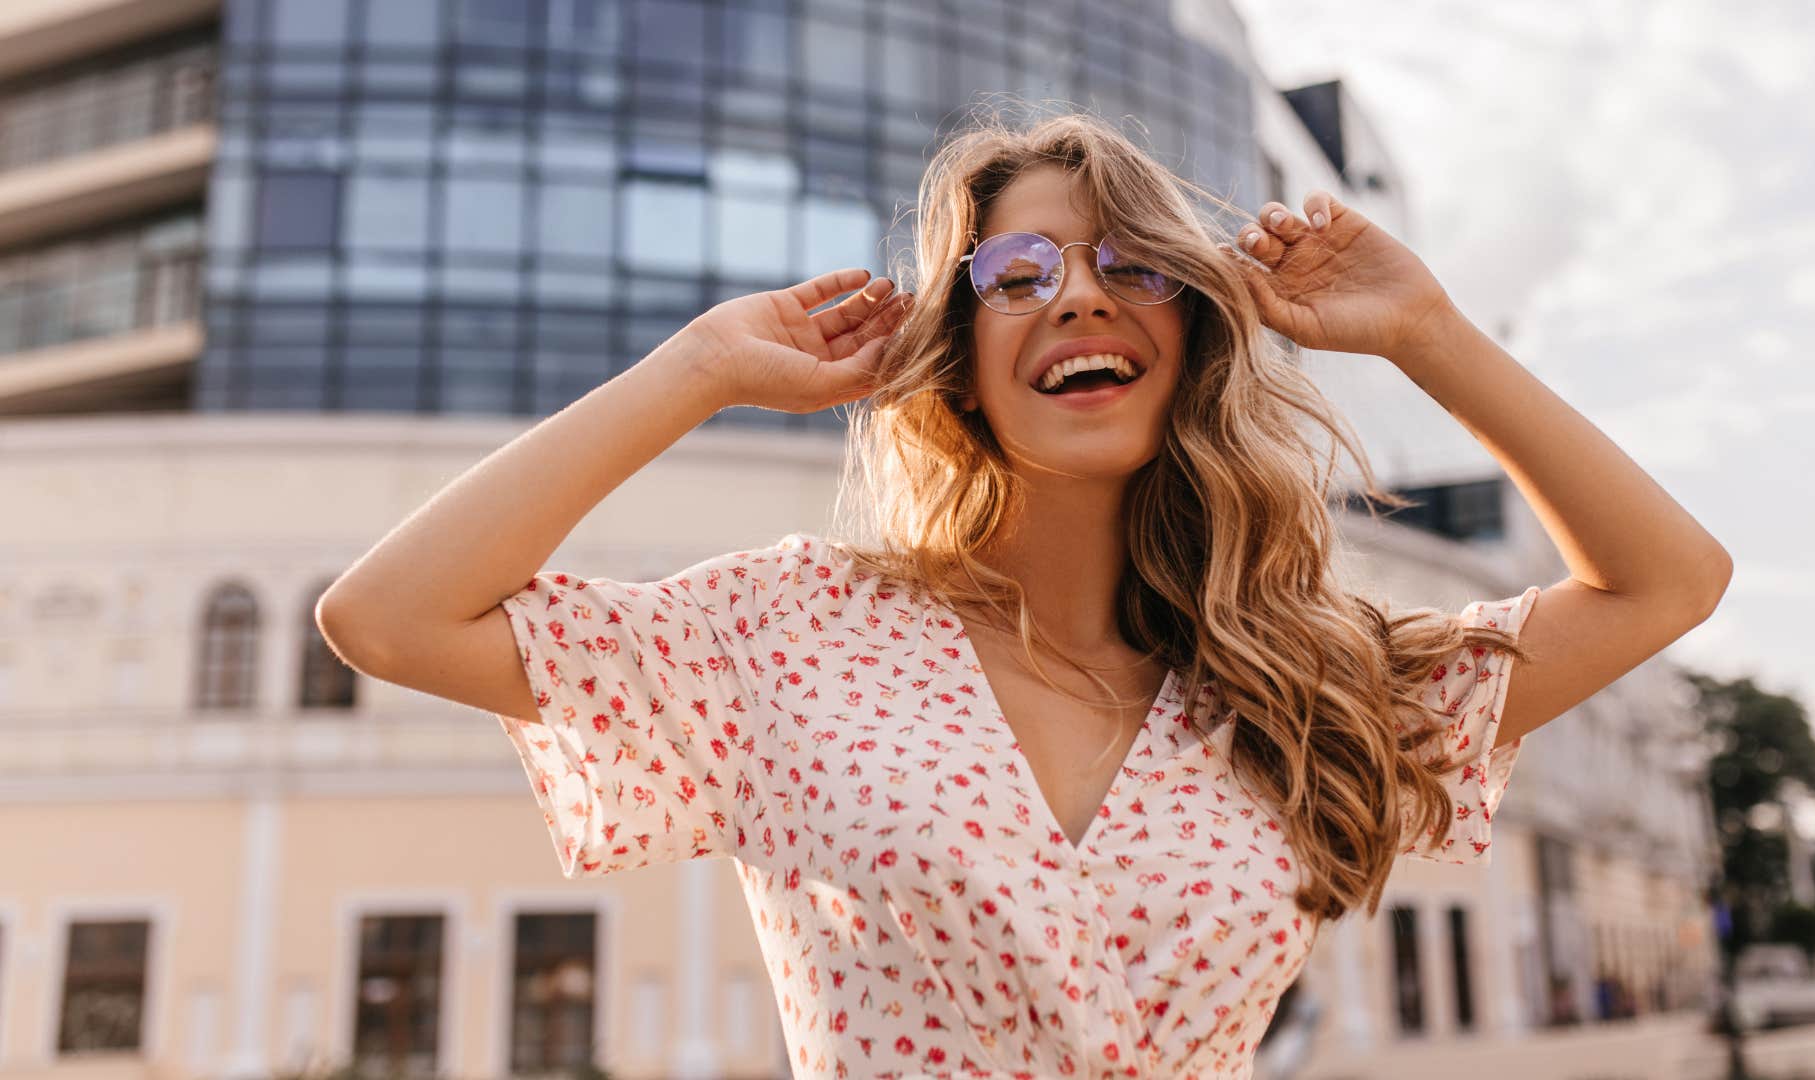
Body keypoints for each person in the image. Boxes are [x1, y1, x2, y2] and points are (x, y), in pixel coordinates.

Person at [315, 105, 1733, 1078]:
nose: (1075, 294)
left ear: (1188, 329)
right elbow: (389, 616)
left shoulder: (1309, 678)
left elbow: (1669, 580)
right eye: (1014, 272)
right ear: (959, 352)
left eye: (1127, 264)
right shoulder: (791, 630)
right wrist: (700, 369)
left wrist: (1427, 334)